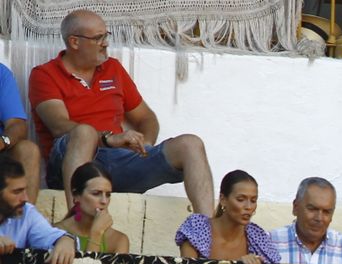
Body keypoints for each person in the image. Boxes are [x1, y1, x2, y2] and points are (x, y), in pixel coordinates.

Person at [30, 9, 213, 208]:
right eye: (99, 38)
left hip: (118, 162)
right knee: (84, 132)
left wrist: (145, 147)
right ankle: (77, 222)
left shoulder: (113, 68)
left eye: (106, 36)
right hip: (71, 163)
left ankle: (206, 233)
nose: (106, 43)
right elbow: (59, 126)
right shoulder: (45, 74)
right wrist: (108, 139)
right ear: (75, 42)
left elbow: (146, 117)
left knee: (191, 144)